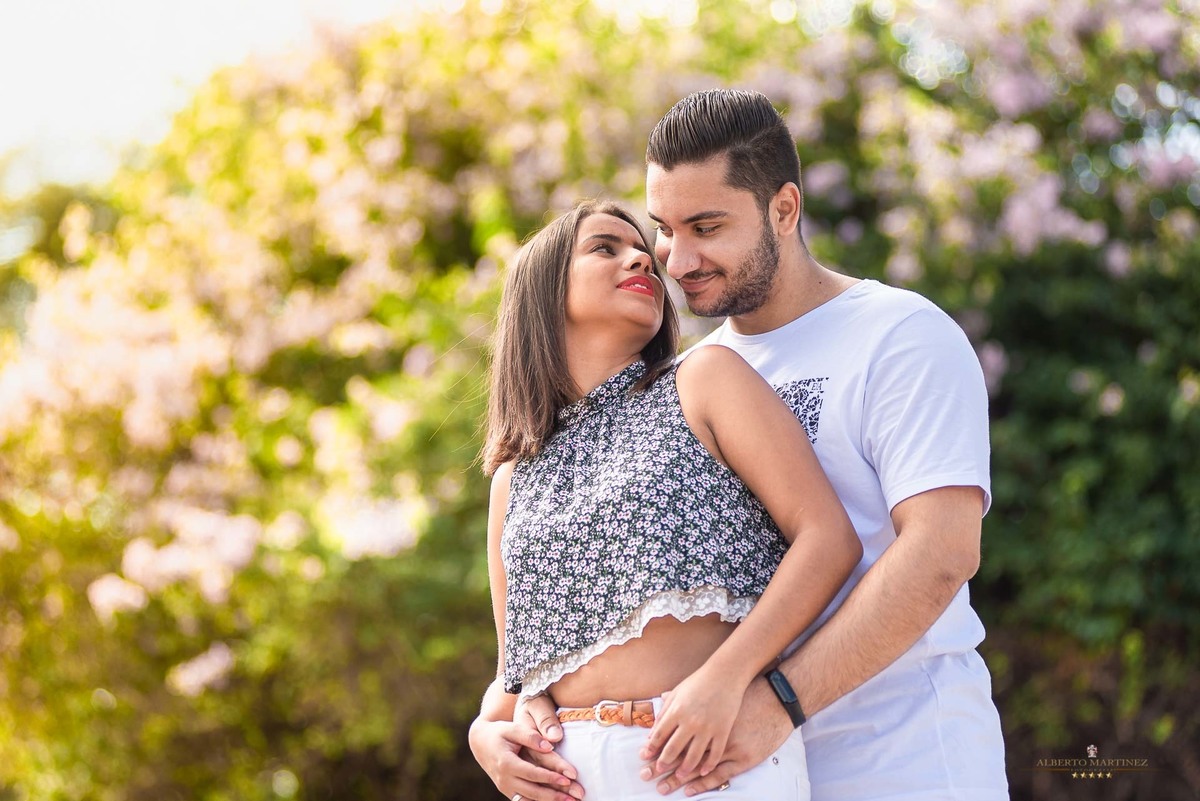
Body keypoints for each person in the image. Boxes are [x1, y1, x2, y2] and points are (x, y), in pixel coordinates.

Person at [470, 90, 1010, 801]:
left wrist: (776, 700)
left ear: (783, 210)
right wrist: (493, 722)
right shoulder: (680, 385)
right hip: (721, 758)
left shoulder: (898, 334)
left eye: (706, 226)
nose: (673, 258)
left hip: (902, 757)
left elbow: (941, 553)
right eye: (665, 229)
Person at [474, 198, 862, 801]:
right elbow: (515, 671)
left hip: (705, 760)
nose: (642, 259)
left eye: (642, 251)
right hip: (565, 777)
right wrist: (484, 734)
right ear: (543, 292)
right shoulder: (513, 479)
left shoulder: (703, 380)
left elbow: (828, 539)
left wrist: (729, 677)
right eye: (604, 247)